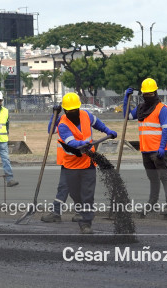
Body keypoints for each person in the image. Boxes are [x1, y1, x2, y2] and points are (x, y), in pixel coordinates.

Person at [45, 92, 117, 233]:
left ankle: (86, 223)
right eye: (70, 110)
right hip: (71, 163)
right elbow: (70, 141)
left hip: (88, 161)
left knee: (88, 193)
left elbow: (98, 124)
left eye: (75, 110)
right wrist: (55, 116)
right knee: (73, 192)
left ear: (79, 108)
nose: (73, 113)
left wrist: (108, 131)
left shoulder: (86, 115)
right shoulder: (63, 123)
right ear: (65, 110)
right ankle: (77, 212)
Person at [122, 78, 167, 218]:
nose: (148, 96)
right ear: (143, 94)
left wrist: (162, 147)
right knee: (153, 179)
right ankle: (152, 204)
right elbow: (127, 116)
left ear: (155, 93)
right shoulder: (141, 109)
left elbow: (166, 130)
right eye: (146, 94)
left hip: (159, 151)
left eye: (151, 94)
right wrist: (125, 99)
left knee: (164, 177)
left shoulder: (162, 109)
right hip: (145, 151)